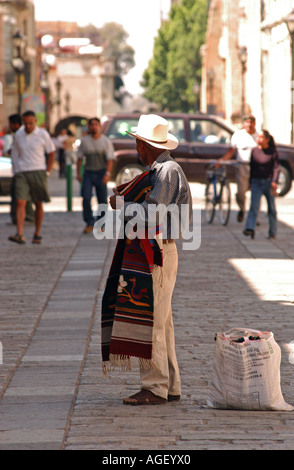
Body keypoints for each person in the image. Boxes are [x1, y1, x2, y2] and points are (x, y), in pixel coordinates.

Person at [106, 114, 192, 405]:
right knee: (163, 323)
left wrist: (122, 205)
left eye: (138, 144)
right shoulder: (162, 171)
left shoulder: (167, 171)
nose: (136, 150)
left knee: (153, 321)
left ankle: (154, 387)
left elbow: (152, 214)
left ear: (146, 145)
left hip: (158, 251)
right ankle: (170, 384)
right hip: (160, 249)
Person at [8, 110, 56, 245]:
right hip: (22, 172)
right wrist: (16, 170)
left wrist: (47, 170)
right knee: (20, 202)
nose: (28, 126)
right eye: (25, 123)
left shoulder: (42, 134)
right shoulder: (18, 135)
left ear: (35, 122)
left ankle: (37, 233)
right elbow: (15, 153)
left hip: (38, 171)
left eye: (30, 123)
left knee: (38, 203)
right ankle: (20, 233)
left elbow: (51, 152)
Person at [77, 117, 114, 234]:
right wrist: (78, 173)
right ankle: (89, 222)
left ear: (99, 126)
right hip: (88, 172)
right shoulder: (84, 141)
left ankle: (101, 224)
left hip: (101, 172)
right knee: (86, 197)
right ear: (88, 126)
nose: (93, 127)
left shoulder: (105, 141)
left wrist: (107, 174)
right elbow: (79, 158)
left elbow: (110, 160)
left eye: (95, 125)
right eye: (91, 125)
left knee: (102, 200)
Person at [219, 115, 258, 222]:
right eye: (247, 122)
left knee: (256, 191)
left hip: (256, 167)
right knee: (241, 192)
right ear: (243, 124)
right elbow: (231, 150)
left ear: (254, 124)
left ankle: (255, 216)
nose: (249, 125)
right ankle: (242, 208)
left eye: (251, 122)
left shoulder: (258, 135)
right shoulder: (238, 135)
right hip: (242, 166)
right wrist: (222, 160)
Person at [243, 130, 280, 240]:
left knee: (271, 208)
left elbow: (277, 168)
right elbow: (252, 167)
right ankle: (250, 228)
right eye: (258, 137)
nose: (259, 139)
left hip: (269, 182)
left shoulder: (272, 152)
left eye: (262, 137)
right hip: (256, 182)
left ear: (267, 139)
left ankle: (272, 231)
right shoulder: (254, 151)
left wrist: (274, 181)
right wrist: (249, 182)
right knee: (253, 206)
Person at [6, 114, 34, 225]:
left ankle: (24, 218)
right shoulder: (19, 135)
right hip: (19, 169)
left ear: (15, 124)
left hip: (22, 169)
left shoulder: (20, 135)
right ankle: (20, 218)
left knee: (20, 196)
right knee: (20, 196)